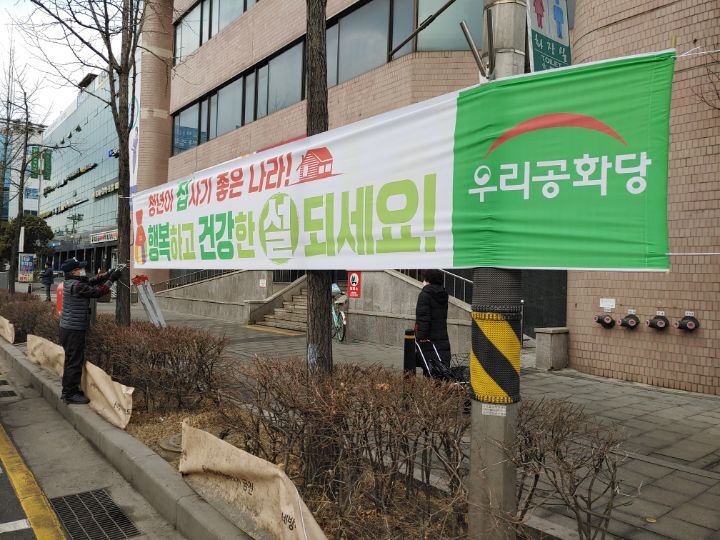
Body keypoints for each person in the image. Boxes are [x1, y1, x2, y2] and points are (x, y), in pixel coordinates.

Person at [59, 257, 121, 405]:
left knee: (71, 360)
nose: (83, 270)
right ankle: (69, 394)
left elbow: (91, 281)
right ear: (74, 271)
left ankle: (69, 390)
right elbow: (98, 292)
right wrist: (111, 280)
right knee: (74, 362)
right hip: (74, 329)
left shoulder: (71, 282)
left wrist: (107, 274)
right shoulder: (77, 285)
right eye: (80, 268)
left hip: (68, 328)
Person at [414, 269, 451, 376]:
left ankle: (431, 385)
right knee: (439, 363)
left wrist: (421, 336)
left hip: (428, 337)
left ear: (428, 279)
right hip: (441, 334)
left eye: (424, 278)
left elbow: (423, 317)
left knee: (429, 364)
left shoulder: (425, 295)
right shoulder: (443, 294)